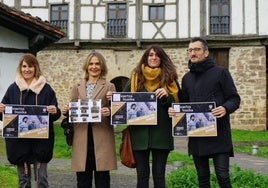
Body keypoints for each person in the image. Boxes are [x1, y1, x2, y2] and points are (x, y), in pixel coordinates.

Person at [169, 37, 240, 188]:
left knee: (223, 176)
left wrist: (225, 108)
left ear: (206, 52)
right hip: (197, 135)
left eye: (197, 49)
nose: (193, 53)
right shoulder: (187, 78)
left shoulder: (221, 72)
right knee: (202, 178)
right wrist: (175, 111)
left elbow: (234, 98)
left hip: (219, 134)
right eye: (190, 50)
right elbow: (184, 105)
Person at [123, 45, 180, 188]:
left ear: (161, 58)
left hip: (162, 134)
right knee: (142, 175)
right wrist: (113, 98)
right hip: (139, 135)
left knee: (159, 175)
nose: (154, 58)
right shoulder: (135, 77)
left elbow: (179, 107)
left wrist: (167, 97)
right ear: (146, 58)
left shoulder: (170, 79)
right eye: (150, 55)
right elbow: (122, 99)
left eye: (157, 55)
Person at [0, 53, 61, 187]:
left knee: (42, 181)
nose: (27, 69)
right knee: (23, 181)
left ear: (36, 68)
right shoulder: (13, 89)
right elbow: (5, 115)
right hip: (20, 144)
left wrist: (55, 111)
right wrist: (1, 110)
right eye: (24, 66)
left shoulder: (46, 89)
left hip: (41, 143)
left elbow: (55, 113)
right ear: (20, 68)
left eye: (30, 66)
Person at [62, 51, 117, 188]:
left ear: (102, 66)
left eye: (97, 63)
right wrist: (67, 111)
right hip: (81, 137)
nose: (94, 66)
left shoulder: (110, 86)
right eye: (91, 63)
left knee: (102, 180)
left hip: (102, 137)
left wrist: (110, 110)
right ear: (86, 66)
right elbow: (73, 109)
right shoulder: (77, 86)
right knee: (83, 181)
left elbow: (117, 112)